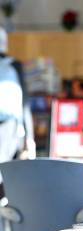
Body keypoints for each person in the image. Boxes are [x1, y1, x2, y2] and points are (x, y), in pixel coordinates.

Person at [0, 27, 35, 198]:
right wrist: (30, 137)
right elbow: (25, 103)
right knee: (9, 174)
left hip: (9, 127)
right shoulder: (14, 65)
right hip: (11, 128)